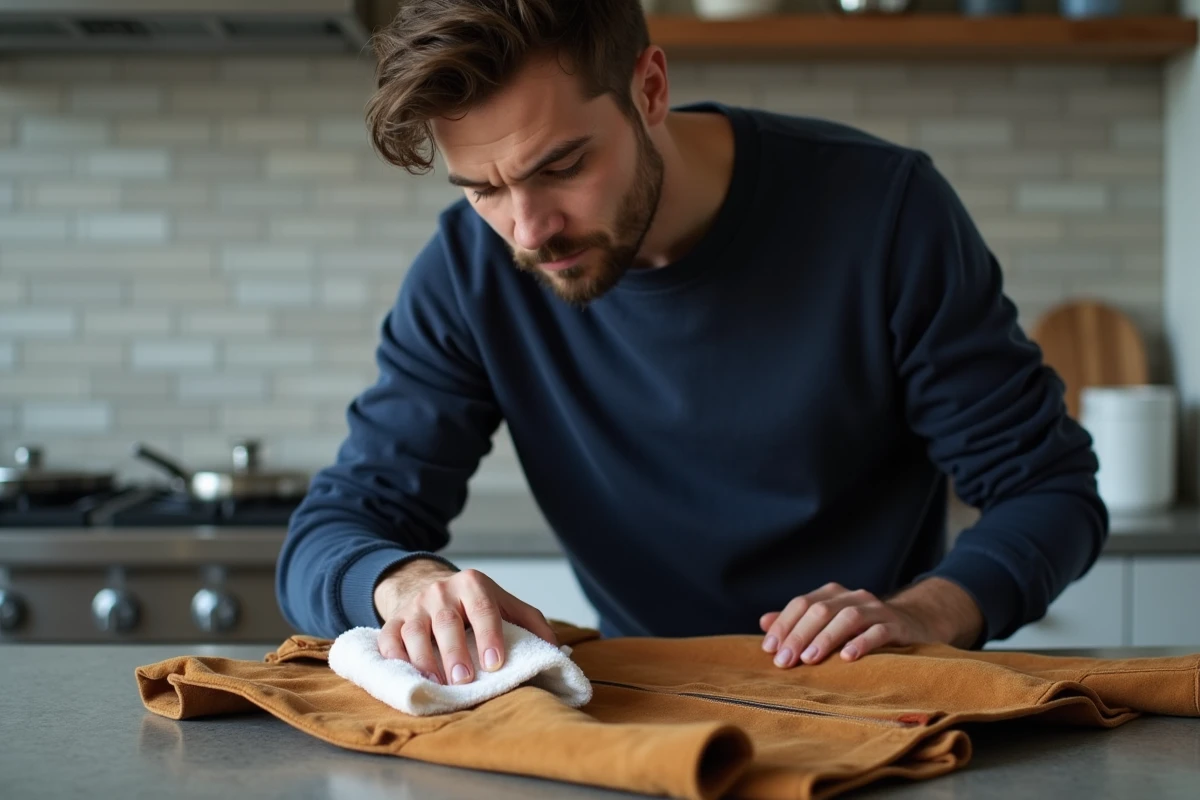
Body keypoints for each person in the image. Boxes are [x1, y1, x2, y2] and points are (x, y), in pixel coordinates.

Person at [276, 0, 1107, 689]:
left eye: (562, 167)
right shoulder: (468, 270)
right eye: (483, 189)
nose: (528, 230)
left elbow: (1049, 490)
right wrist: (401, 583)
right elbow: (334, 530)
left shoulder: (885, 213)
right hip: (639, 710)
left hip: (874, 695)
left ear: (649, 89)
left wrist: (925, 612)